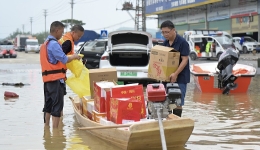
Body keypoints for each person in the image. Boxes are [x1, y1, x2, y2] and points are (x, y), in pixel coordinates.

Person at [40, 21, 81, 128]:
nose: (62, 35)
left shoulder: (45, 44)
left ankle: (46, 130)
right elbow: (63, 59)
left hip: (47, 81)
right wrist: (75, 56)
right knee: (57, 107)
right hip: (56, 80)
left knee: (48, 106)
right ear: (57, 30)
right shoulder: (54, 44)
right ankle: (56, 135)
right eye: (61, 32)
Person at [160, 20, 190, 117]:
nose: (165, 34)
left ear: (173, 30)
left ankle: (177, 120)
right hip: (168, 77)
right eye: (163, 32)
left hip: (180, 76)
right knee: (168, 101)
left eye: (167, 32)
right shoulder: (165, 43)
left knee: (178, 101)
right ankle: (169, 121)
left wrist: (176, 74)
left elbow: (185, 60)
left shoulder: (182, 43)